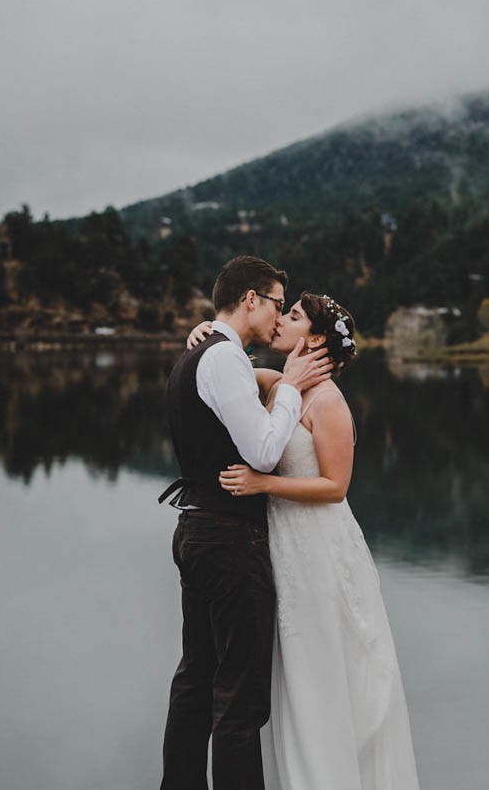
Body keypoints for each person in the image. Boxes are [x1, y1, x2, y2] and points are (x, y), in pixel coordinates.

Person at [189, 291, 420, 790]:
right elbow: (219, 372)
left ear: (314, 338)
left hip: (319, 552)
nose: (280, 319)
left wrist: (263, 484)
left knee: (321, 669)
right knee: (291, 675)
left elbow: (335, 488)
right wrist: (203, 338)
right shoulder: (279, 384)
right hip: (283, 548)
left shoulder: (329, 400)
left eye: (292, 315)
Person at [159, 257, 333, 790]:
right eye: (279, 303)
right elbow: (261, 451)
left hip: (200, 531)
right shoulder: (221, 359)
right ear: (252, 299)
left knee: (198, 679)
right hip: (228, 540)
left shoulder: (205, 351)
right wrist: (289, 388)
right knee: (239, 695)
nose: (280, 316)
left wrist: (283, 381)